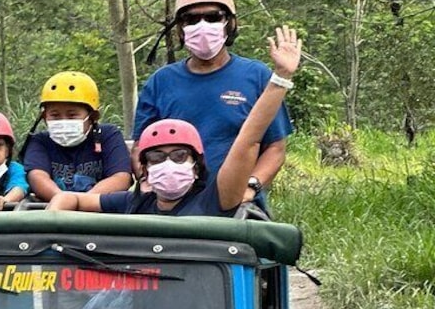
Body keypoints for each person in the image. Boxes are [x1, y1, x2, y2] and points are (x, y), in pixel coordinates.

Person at [48, 26, 301, 217]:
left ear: (196, 165)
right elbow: (76, 200)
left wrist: (280, 78)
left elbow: (248, 140)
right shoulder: (137, 202)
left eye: (180, 156)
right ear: (144, 168)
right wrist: (52, 216)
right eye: (157, 158)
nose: (168, 165)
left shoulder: (216, 201)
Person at [132, 0, 293, 208]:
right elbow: (141, 147)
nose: (202, 25)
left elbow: (275, 148)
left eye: (213, 17)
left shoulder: (256, 76)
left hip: (237, 205)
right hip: (174, 207)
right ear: (180, 28)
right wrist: (149, 184)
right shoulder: (161, 82)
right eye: (191, 19)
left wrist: (250, 187)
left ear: (229, 23)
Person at [22, 71, 132, 201]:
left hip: (100, 213)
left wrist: (81, 202)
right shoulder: (40, 141)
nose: (63, 121)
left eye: (72, 115)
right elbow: (37, 176)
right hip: (53, 213)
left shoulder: (108, 136)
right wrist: (61, 200)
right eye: (55, 115)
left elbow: (121, 178)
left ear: (93, 117)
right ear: (45, 118)